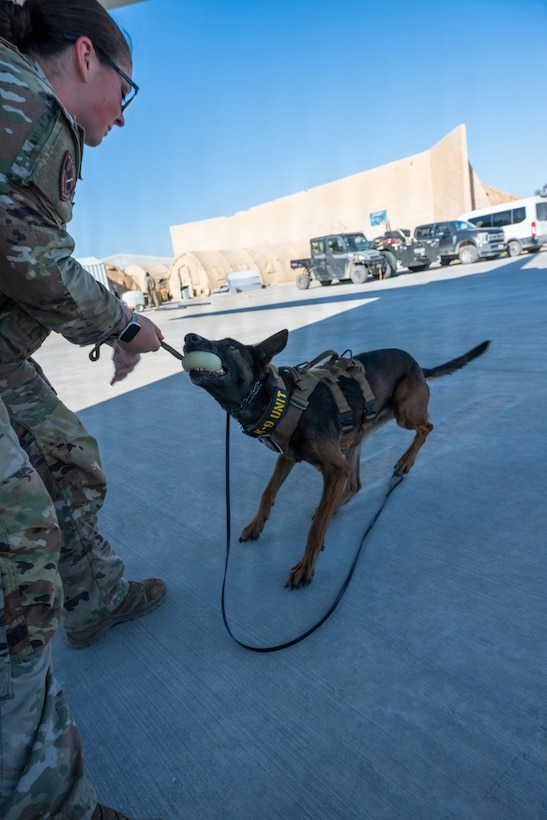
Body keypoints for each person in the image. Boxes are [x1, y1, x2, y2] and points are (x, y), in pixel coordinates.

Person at [0, 1, 167, 817]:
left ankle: (94, 599)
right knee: (15, 566)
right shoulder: (28, 102)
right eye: (125, 94)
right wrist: (126, 322)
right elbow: (29, 258)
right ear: (87, 58)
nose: (121, 119)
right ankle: (44, 802)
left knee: (64, 455)